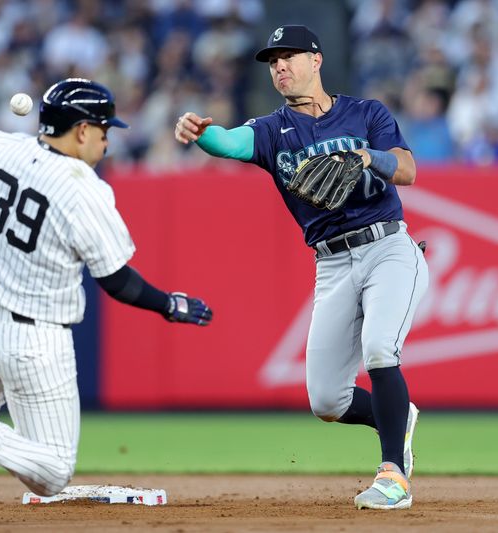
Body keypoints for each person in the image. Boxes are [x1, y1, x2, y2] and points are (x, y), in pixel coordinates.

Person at [0, 78, 213, 524]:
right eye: (103, 130)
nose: (107, 140)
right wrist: (169, 305)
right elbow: (116, 281)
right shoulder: (84, 189)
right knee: (53, 473)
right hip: (31, 337)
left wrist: (10, 143)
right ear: (80, 130)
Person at [174, 25, 428, 510]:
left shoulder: (365, 113)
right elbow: (230, 143)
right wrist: (203, 134)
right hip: (331, 263)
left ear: (317, 60)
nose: (280, 67)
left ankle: (393, 475)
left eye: (289, 56)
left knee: (379, 350)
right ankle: (397, 416)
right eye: (273, 62)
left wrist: (364, 154)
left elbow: (407, 170)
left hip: (388, 248)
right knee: (327, 400)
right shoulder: (273, 131)